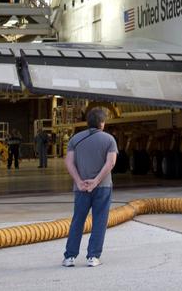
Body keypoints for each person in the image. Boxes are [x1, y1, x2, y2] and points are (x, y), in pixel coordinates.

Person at [62, 108, 118, 268]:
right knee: (99, 220)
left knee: (78, 220)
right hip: (103, 187)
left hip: (81, 188)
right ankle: (93, 257)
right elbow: (111, 163)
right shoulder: (109, 139)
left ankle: (69, 257)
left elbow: (68, 162)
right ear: (102, 123)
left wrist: (79, 181)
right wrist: (96, 181)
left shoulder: (75, 139)